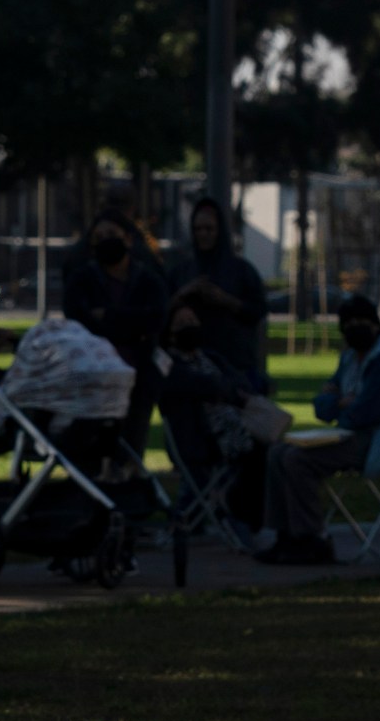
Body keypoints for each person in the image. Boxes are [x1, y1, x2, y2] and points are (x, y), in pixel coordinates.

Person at [254, 294, 380, 566]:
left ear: (376, 324)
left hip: (379, 442)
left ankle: (311, 538)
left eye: (361, 321)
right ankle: (286, 536)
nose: (355, 327)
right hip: (349, 435)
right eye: (348, 323)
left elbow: (368, 413)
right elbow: (321, 406)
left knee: (297, 460)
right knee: (277, 452)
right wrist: (342, 403)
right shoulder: (350, 359)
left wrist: (339, 404)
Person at [63, 209, 172, 461]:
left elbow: (156, 318)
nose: (106, 241)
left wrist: (109, 316)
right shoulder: (82, 279)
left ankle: (128, 479)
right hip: (93, 375)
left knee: (132, 441)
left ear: (128, 239)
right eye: (99, 236)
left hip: (139, 372)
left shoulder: (148, 278)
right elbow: (79, 320)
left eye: (112, 234)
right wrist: (131, 321)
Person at [157, 305, 268, 527]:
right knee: (254, 452)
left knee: (264, 451)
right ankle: (237, 514)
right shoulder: (167, 364)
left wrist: (223, 389)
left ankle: (238, 516)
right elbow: (204, 385)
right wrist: (223, 390)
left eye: (192, 321)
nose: (190, 327)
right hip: (198, 437)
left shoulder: (211, 357)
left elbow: (240, 384)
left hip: (231, 428)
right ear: (170, 332)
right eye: (182, 324)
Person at [165, 196, 272, 397]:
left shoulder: (241, 271)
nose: (203, 235)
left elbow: (257, 310)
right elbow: (162, 309)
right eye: (198, 229)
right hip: (190, 365)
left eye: (209, 229)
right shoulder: (181, 271)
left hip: (233, 362)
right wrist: (185, 294)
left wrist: (225, 300)